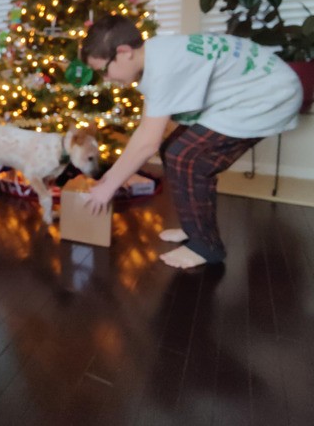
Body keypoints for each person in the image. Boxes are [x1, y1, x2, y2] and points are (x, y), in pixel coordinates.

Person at [80, 15, 302, 269]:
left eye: (103, 70)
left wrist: (108, 188)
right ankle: (193, 227)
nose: (106, 79)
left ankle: (206, 246)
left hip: (269, 95)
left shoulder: (164, 67)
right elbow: (146, 132)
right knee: (173, 149)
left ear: (124, 52)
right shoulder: (155, 54)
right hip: (257, 89)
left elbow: (146, 144)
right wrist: (110, 179)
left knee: (186, 157)